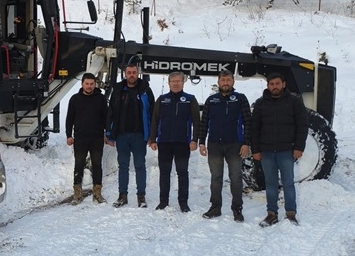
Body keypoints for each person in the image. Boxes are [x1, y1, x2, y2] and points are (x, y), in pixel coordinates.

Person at [250, 72, 309, 227]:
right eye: (271, 84)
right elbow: (254, 128)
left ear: (283, 84)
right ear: (268, 86)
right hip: (267, 151)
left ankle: (291, 214)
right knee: (270, 184)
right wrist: (255, 150)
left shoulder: (294, 102)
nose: (274, 86)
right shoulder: (261, 104)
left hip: (286, 151)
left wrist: (299, 147)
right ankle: (272, 214)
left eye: (277, 83)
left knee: (288, 183)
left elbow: (302, 126)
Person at [198, 70, 252, 222]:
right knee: (216, 177)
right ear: (218, 82)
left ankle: (237, 209)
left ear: (233, 81)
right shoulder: (211, 100)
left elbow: (248, 122)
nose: (226, 83)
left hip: (235, 144)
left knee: (235, 177)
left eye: (228, 80)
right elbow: (204, 122)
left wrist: (246, 143)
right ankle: (215, 207)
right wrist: (202, 142)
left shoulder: (240, 99)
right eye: (223, 80)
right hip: (214, 144)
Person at [148, 71, 200, 212]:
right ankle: (163, 201)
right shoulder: (162, 99)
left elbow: (197, 121)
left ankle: (183, 202)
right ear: (169, 83)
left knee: (182, 173)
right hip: (164, 142)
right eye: (173, 81)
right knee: (164, 173)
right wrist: (153, 139)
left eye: (178, 81)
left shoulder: (190, 99)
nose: (176, 84)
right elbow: (155, 120)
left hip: (183, 143)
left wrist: (195, 140)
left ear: (183, 82)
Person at [106, 63, 155, 208]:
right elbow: (111, 113)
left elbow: (152, 112)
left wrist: (152, 135)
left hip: (140, 135)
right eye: (129, 72)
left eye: (134, 72)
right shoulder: (118, 90)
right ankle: (122, 196)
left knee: (140, 165)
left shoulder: (145, 90)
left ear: (138, 73)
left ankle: (141, 196)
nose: (132, 75)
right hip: (122, 135)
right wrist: (109, 133)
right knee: (123, 166)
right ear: (125, 74)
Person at [66, 73, 108, 205]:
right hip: (80, 138)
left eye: (91, 84)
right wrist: (68, 135)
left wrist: (107, 133)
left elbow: (106, 118)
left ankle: (97, 194)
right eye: (87, 84)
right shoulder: (75, 99)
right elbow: (69, 118)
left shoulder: (101, 99)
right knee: (78, 165)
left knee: (97, 165)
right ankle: (77, 194)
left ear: (95, 84)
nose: (89, 86)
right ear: (82, 84)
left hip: (97, 139)